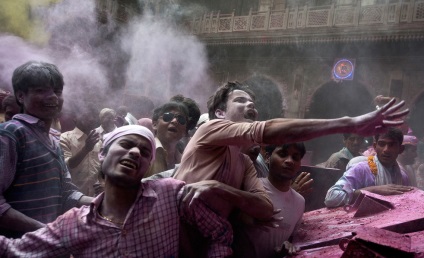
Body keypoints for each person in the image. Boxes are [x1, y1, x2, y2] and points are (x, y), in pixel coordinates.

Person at [173, 81, 408, 254]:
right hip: (173, 235)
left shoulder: (244, 163)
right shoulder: (210, 129)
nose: (250, 104)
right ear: (220, 113)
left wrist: (218, 188)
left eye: (251, 102)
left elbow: (265, 209)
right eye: (240, 101)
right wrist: (350, 123)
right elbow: (270, 130)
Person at [0, 125, 256, 257]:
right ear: (102, 154)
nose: (135, 152)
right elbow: (15, 251)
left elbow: (221, 233)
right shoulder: (73, 224)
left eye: (145, 152)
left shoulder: (172, 195)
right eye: (126, 145)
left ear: (147, 166)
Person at [0, 61, 92, 238]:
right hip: (17, 248)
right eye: (41, 90)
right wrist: (45, 230)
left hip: (47, 246)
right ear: (21, 96)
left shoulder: (52, 139)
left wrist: (99, 202)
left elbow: (65, 192)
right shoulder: (11, 133)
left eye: (57, 91)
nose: (53, 97)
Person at [233, 143, 307, 257]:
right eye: (283, 154)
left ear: (300, 164)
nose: (289, 161)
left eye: (295, 157)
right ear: (268, 157)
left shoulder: (300, 202)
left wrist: (288, 246)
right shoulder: (252, 188)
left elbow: (290, 240)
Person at [325, 127, 413, 208]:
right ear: (375, 147)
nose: (386, 149)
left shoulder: (403, 176)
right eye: (382, 144)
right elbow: (331, 197)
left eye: (392, 145)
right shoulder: (361, 169)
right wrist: (373, 191)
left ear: (401, 149)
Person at [60, 104, 101, 197]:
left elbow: (100, 168)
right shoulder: (65, 138)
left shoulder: (98, 141)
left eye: (94, 116)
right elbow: (66, 166)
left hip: (94, 197)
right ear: (75, 117)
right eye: (87, 115)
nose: (91, 119)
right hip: (71, 196)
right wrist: (86, 149)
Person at [143, 101, 189, 178]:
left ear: (185, 131)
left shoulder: (185, 161)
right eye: (168, 116)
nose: (175, 121)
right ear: (155, 124)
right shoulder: (144, 150)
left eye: (181, 119)